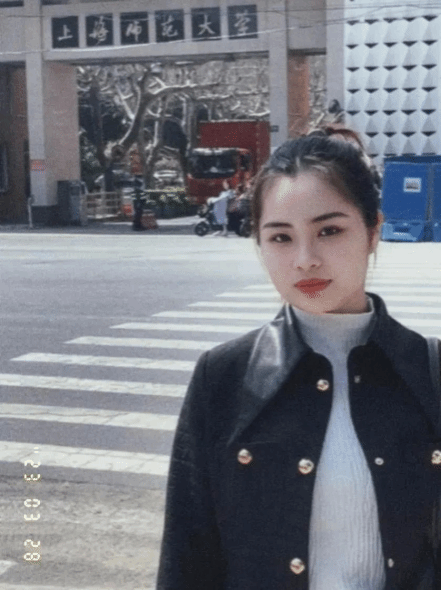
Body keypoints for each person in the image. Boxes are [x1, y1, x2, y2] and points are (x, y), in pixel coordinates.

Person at [156, 126, 440, 590]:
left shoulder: (429, 370)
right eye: (281, 237)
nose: (305, 259)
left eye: (329, 230)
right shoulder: (224, 377)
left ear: (373, 231)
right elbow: (187, 558)